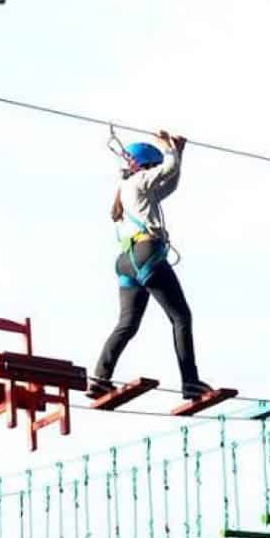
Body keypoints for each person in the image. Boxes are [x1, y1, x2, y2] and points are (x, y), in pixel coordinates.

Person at [89, 130, 212, 401]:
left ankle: (99, 377)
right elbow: (168, 170)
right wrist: (167, 148)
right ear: (146, 166)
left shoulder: (128, 189)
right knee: (181, 317)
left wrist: (177, 152)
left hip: (125, 261)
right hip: (147, 254)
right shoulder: (141, 181)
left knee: (127, 323)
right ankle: (190, 382)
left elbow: (171, 181)